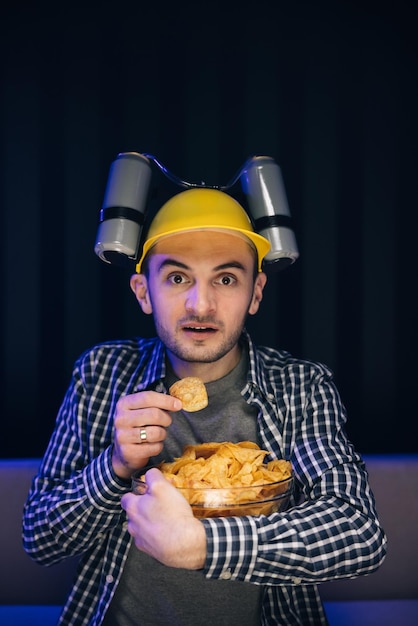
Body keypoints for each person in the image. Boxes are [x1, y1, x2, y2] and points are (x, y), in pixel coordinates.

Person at [23, 187, 387, 626]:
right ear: (143, 292)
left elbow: (358, 533)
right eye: (177, 278)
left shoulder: (301, 387)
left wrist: (203, 545)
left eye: (226, 278)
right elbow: (40, 540)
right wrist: (115, 466)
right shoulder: (102, 373)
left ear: (256, 292)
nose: (201, 304)